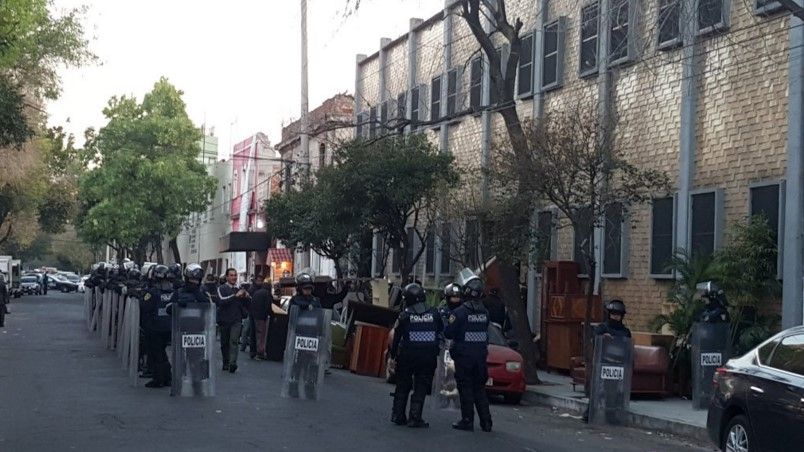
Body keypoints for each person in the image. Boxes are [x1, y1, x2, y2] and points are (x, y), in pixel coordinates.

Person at [389, 283, 442, 428]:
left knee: (402, 386)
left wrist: (392, 357)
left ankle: (398, 415)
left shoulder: (405, 316)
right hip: (428, 357)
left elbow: (396, 339)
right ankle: (415, 417)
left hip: (407, 356)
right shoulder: (435, 314)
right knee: (421, 387)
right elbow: (441, 333)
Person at [445, 276, 492, 432]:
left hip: (464, 357)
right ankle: (486, 422)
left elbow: (449, 333)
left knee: (466, 389)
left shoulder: (459, 313)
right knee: (479, 389)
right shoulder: (485, 312)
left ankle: (467, 420)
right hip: (480, 357)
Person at [170, 263, 212, 395]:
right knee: (179, 360)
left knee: (197, 361)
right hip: (181, 331)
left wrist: (199, 297)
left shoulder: (203, 293)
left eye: (197, 280)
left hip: (197, 333)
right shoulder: (178, 293)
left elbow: (210, 308)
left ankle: (198, 385)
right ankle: (178, 385)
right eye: (192, 280)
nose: (195, 283)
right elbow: (170, 308)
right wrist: (177, 305)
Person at [140, 265, 174, 388]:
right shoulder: (172, 291)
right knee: (162, 352)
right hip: (168, 326)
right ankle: (167, 377)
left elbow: (144, 306)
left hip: (154, 327)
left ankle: (159, 378)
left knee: (156, 353)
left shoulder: (152, 292)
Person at [216, 268, 250, 373]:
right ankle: (226, 362)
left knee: (234, 341)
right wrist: (235, 296)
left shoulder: (240, 288)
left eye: (235, 275)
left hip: (236, 319)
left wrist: (247, 297)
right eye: (231, 275)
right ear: (227, 277)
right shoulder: (222, 288)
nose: (234, 277)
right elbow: (221, 301)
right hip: (224, 320)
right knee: (224, 343)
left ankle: (232, 363)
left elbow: (248, 304)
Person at [249, 276, 272, 360]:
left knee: (254, 334)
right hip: (261, 317)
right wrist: (268, 315)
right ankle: (260, 352)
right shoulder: (267, 294)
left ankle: (253, 352)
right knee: (261, 335)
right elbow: (267, 306)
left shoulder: (257, 292)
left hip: (254, 315)